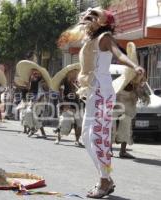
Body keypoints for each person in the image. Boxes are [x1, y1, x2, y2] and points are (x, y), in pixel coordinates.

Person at [59, 7, 145, 198]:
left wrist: (135, 65)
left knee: (98, 137)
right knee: (86, 138)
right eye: (87, 13)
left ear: (104, 22)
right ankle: (105, 177)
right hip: (93, 93)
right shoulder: (89, 40)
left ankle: (105, 181)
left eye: (94, 14)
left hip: (102, 94)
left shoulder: (105, 38)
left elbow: (120, 54)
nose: (89, 16)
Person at [15, 60, 52, 138]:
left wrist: (38, 100)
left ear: (39, 74)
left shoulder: (42, 81)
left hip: (40, 101)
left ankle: (41, 133)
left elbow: (46, 91)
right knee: (27, 114)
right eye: (33, 73)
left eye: (36, 73)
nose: (34, 75)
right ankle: (32, 129)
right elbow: (28, 90)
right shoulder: (32, 81)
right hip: (32, 101)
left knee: (35, 116)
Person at [51, 63, 84, 146]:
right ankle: (58, 137)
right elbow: (60, 95)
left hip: (78, 106)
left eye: (77, 73)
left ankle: (77, 140)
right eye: (74, 72)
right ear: (69, 73)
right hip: (67, 106)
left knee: (79, 124)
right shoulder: (63, 83)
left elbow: (83, 93)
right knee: (64, 122)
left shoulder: (79, 82)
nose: (76, 74)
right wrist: (64, 105)